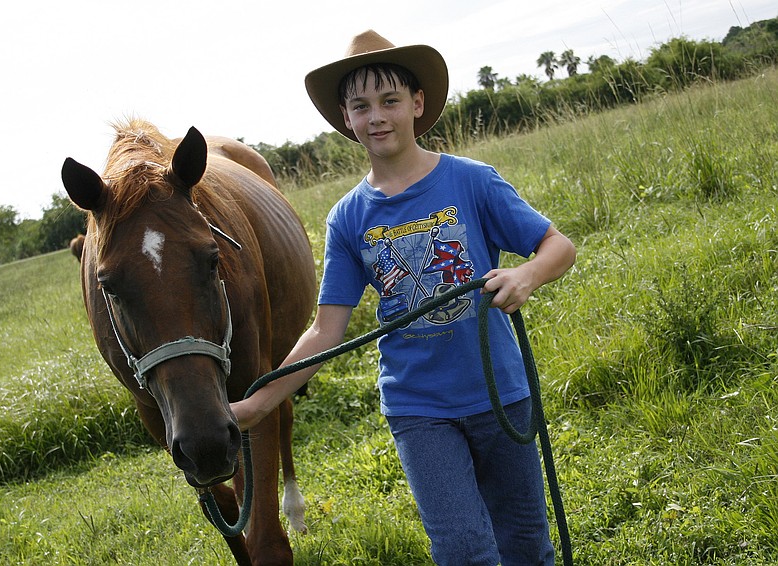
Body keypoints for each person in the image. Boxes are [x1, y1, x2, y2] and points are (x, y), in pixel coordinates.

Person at [231, 30, 576, 565]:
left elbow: (558, 245)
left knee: (526, 542)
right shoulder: (348, 217)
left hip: (499, 390)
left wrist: (526, 275)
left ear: (417, 104)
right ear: (347, 119)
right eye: (361, 106)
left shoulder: (471, 181)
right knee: (462, 550)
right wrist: (259, 402)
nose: (377, 117)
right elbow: (326, 330)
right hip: (418, 408)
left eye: (390, 101)